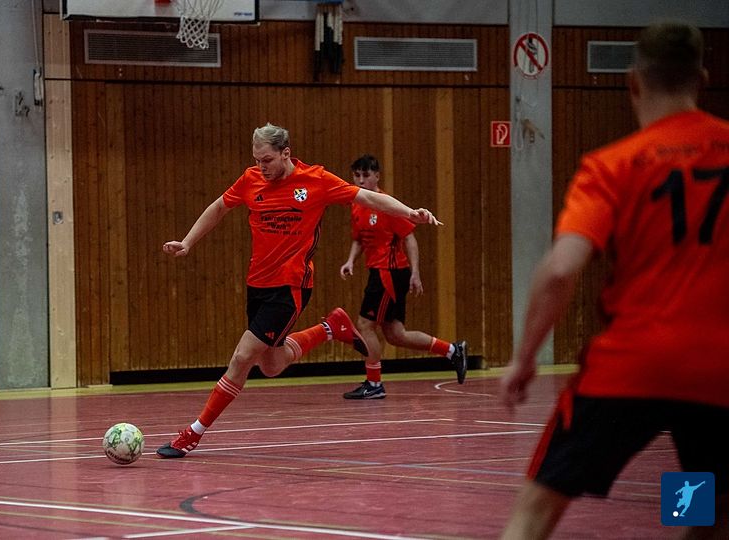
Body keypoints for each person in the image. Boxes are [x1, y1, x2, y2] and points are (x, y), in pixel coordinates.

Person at [499, 22, 729, 539]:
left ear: (633, 82)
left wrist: (525, 356)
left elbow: (561, 269)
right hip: (720, 371)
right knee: (705, 505)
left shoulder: (612, 165)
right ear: (702, 79)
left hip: (631, 366)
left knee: (536, 509)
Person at [157, 123, 442, 458]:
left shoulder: (316, 180)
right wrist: (188, 242)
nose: (261, 167)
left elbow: (366, 196)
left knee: (242, 358)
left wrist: (410, 213)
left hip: (290, 287)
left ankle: (193, 433)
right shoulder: (251, 180)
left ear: (286, 153)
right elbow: (219, 207)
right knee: (271, 366)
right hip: (257, 285)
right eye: (257, 160)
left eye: (267, 160)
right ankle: (330, 327)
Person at [338, 155, 468, 399]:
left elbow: (409, 238)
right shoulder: (357, 204)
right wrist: (350, 260)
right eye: (357, 176)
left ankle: (374, 384)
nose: (361, 180)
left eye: (366, 175)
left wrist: (415, 273)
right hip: (378, 271)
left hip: (390, 272)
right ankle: (453, 350)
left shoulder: (386, 205)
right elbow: (359, 239)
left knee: (365, 325)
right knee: (396, 335)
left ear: (377, 176)